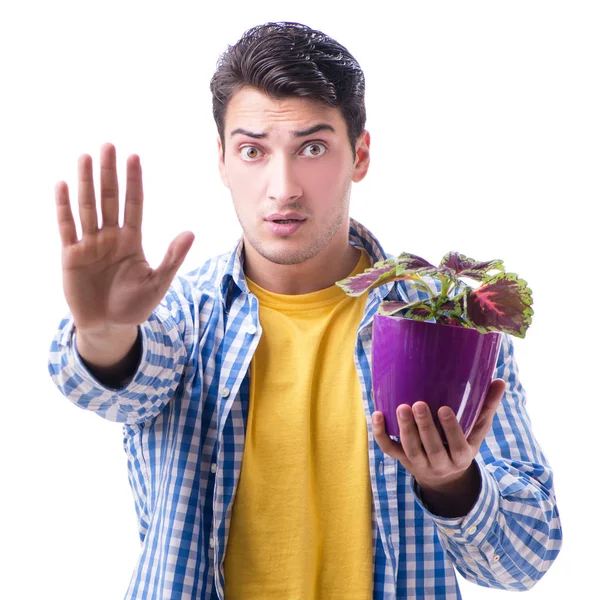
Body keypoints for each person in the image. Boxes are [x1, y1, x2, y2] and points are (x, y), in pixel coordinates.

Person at [48, 21, 561, 600]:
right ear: (222, 160)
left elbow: (526, 559)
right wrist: (105, 331)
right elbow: (119, 389)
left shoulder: (446, 323)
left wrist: (452, 483)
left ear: (359, 154)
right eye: (253, 151)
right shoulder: (181, 315)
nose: (282, 186)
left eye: (311, 148)